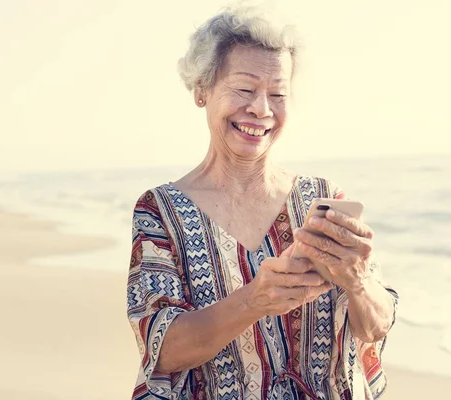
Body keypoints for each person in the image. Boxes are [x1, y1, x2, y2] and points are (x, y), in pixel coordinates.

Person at [126, 4, 399, 400]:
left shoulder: (324, 200)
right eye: (244, 88)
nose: (261, 109)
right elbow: (163, 351)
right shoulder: (160, 212)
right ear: (202, 89)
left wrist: (357, 280)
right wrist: (253, 300)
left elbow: (376, 326)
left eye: (278, 93)